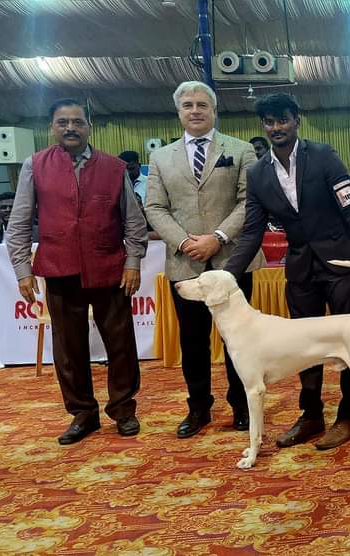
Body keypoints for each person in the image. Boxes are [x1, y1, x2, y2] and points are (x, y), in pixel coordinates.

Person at [224, 92, 350, 451]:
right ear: (263, 126)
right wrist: (228, 274)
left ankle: (348, 416)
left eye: (283, 119)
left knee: (348, 344)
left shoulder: (324, 156)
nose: (276, 127)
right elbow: (252, 231)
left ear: (296, 119)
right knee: (303, 347)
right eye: (269, 122)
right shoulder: (257, 173)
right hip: (299, 269)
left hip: (339, 263)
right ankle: (311, 414)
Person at [6, 98, 147, 445]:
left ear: (89, 126)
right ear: (52, 127)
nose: (70, 128)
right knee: (68, 349)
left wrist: (132, 262)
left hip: (109, 269)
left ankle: (123, 410)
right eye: (63, 122)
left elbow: (133, 221)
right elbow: (19, 222)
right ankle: (83, 414)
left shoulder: (114, 168)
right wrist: (23, 271)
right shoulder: (34, 165)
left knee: (121, 345)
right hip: (59, 268)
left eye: (77, 122)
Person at [144, 81, 265, 439]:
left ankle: (242, 407)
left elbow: (250, 201)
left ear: (214, 111)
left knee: (239, 341)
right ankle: (198, 408)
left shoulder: (241, 151)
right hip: (185, 266)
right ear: (178, 112)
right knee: (192, 342)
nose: (194, 110)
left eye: (201, 105)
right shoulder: (160, 158)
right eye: (187, 105)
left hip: (232, 260)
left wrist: (218, 238)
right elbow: (154, 207)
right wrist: (184, 242)